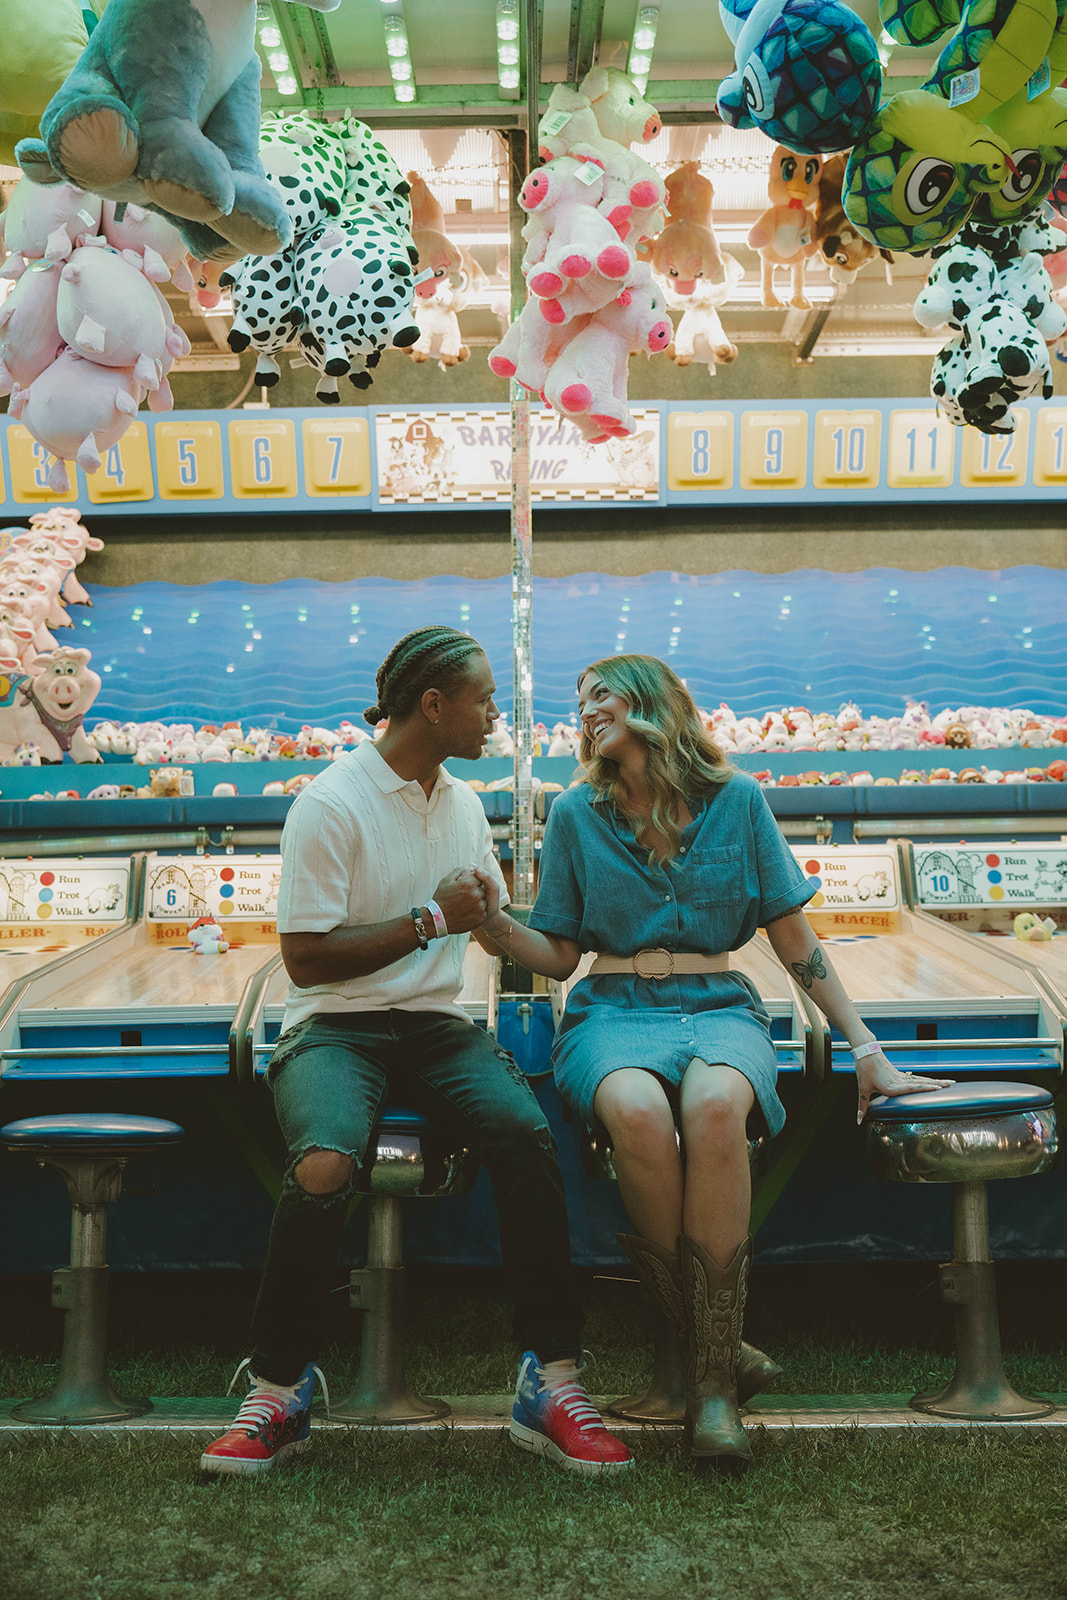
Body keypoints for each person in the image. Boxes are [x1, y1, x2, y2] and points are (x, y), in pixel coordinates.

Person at [473, 654, 951, 1471]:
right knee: (635, 1111)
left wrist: (865, 1048)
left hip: (720, 1008)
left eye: (600, 696)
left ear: (654, 705)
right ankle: (717, 1366)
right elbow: (556, 954)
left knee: (715, 1108)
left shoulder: (738, 802)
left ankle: (710, 1384)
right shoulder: (575, 813)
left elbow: (791, 934)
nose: (584, 711)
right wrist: (488, 924)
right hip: (611, 1012)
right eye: (578, 702)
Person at [200, 626, 632, 1478]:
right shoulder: (329, 804)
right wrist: (432, 919)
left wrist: (571, 934)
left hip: (434, 1024)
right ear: (432, 705)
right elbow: (305, 959)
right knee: (324, 1162)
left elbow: (491, 925)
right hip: (335, 1025)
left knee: (524, 1133)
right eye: (484, 702)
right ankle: (278, 1392)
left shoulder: (463, 803)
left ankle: (551, 1380)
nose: (495, 719)